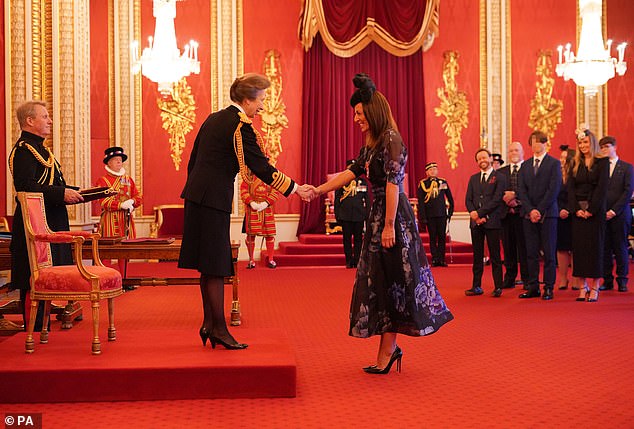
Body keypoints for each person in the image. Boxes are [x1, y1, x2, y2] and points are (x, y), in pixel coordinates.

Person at [312, 73, 453, 374]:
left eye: (359, 114)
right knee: (383, 280)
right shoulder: (372, 142)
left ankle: (388, 351)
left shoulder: (391, 139)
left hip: (393, 217)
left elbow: (393, 184)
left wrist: (389, 226)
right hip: (378, 216)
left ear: (373, 112)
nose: (355, 119)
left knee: (394, 282)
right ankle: (389, 350)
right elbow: (351, 171)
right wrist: (319, 190)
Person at [178, 73, 313, 350]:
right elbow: (261, 167)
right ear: (247, 99)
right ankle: (219, 329)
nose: (262, 106)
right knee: (215, 265)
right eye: (261, 99)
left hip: (196, 197)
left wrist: (198, 192)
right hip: (213, 200)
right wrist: (296, 188)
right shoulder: (240, 126)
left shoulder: (213, 118)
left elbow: (192, 161)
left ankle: (209, 324)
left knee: (208, 265)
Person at [8, 100, 84, 330]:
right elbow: (25, 187)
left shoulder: (42, 150)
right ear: (29, 121)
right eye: (45, 116)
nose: (50, 121)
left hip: (52, 219)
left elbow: (52, 185)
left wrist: (80, 193)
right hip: (35, 222)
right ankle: (35, 326)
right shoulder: (24, 151)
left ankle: (45, 323)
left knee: (51, 273)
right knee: (34, 274)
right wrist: (62, 193)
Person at [517, 130, 561, 300]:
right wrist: (530, 210)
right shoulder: (525, 165)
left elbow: (554, 189)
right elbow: (521, 190)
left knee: (549, 253)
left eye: (539, 142)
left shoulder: (553, 163)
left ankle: (549, 287)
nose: (536, 145)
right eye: (533, 142)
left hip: (548, 214)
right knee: (531, 252)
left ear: (545, 143)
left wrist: (539, 210)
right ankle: (533, 286)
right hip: (529, 214)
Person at [568, 128, 609, 302]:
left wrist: (591, 210)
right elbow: (570, 188)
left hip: (595, 212)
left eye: (586, 142)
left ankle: (595, 287)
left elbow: (602, 188)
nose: (583, 145)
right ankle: (582, 286)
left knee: (595, 249)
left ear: (591, 142)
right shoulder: (574, 162)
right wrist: (576, 208)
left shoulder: (602, 162)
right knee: (579, 251)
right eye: (580, 142)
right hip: (578, 212)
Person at [96, 146, 142, 281]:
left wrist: (132, 203)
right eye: (116, 160)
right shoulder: (102, 181)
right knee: (107, 251)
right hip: (110, 219)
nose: (119, 162)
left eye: (120, 160)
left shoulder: (128, 179)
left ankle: (124, 279)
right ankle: (106, 280)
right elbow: (103, 201)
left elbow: (138, 197)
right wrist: (120, 204)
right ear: (108, 162)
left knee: (125, 251)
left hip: (125, 220)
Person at [464, 148, 506, 297]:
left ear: (490, 159)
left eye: (484, 158)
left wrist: (481, 214)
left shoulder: (499, 177)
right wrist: (474, 215)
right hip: (476, 222)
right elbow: (468, 199)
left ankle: (498, 287)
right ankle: (476, 286)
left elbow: (497, 200)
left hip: (492, 221)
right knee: (477, 255)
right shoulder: (473, 178)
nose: (482, 161)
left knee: (495, 255)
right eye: (479, 159)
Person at [599, 136, 632, 292]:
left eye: (607, 146)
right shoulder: (598, 168)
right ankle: (607, 279)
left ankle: (622, 280)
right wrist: (602, 210)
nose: (605, 149)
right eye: (602, 147)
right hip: (602, 214)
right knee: (604, 248)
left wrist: (613, 211)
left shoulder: (626, 167)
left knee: (620, 248)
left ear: (615, 147)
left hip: (620, 214)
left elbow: (627, 192)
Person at [497, 141, 529, 289]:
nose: (513, 153)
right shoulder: (501, 172)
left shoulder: (529, 169)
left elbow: (532, 191)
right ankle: (509, 278)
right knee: (508, 248)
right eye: (511, 151)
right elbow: (497, 193)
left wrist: (516, 198)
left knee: (524, 248)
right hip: (506, 216)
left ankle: (527, 279)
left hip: (523, 215)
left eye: (516, 150)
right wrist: (506, 200)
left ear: (522, 152)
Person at [417, 162, 454, 267]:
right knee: (432, 238)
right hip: (430, 216)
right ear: (427, 172)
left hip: (442, 214)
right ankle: (434, 259)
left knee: (442, 237)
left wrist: (450, 213)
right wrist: (423, 217)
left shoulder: (443, 182)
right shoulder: (423, 184)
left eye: (435, 169)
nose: (433, 171)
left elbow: (450, 198)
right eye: (430, 170)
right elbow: (421, 202)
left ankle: (442, 259)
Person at [239, 176, 282, 269]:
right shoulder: (248, 176)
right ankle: (251, 260)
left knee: (270, 235)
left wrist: (266, 203)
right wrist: (251, 202)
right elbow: (243, 190)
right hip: (252, 208)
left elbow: (275, 191)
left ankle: (271, 259)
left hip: (267, 208)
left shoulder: (272, 175)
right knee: (251, 235)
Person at [334, 159, 368, 268]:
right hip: (345, 214)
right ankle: (348, 260)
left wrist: (367, 215)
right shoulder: (341, 182)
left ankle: (357, 260)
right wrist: (337, 215)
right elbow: (337, 199)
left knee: (358, 239)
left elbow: (367, 199)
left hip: (359, 215)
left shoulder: (362, 182)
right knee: (347, 239)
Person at [556, 145, 578, 291]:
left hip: (574, 216)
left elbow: (578, 195)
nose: (562, 160)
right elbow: (551, 194)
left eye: (565, 158)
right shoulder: (555, 174)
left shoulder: (577, 175)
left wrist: (569, 210)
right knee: (561, 248)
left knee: (575, 248)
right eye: (561, 157)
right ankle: (563, 278)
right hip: (558, 216)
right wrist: (558, 210)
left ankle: (576, 278)